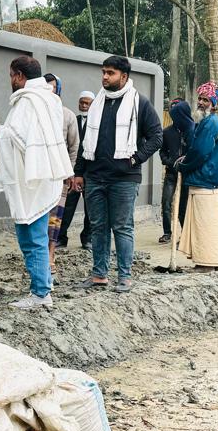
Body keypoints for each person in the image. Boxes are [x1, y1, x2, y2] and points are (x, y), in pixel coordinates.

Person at [72, 56, 163, 293]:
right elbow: (85, 141)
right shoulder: (96, 103)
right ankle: (99, 276)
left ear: (124, 76)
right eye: (103, 72)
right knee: (98, 227)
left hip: (124, 178)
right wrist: (79, 172)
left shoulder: (139, 103)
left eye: (110, 73)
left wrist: (135, 158)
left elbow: (157, 137)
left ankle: (125, 277)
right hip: (94, 176)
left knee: (122, 227)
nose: (105, 76)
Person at [0, 56, 72, 309]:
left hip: (31, 178)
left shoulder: (28, 101)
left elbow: (19, 138)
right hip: (43, 176)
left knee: (32, 237)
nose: (10, 80)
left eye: (11, 75)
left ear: (19, 75)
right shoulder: (50, 99)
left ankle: (40, 293)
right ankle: (44, 285)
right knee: (34, 235)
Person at [176, 82, 218, 272]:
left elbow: (201, 152)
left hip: (207, 180)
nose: (201, 102)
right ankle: (213, 261)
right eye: (200, 98)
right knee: (211, 224)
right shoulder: (209, 122)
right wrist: (187, 158)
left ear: (213, 104)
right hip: (210, 180)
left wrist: (184, 166)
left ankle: (206, 263)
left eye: (205, 100)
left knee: (204, 224)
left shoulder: (210, 123)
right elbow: (199, 149)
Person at [44, 74, 81, 268]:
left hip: (59, 175)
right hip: (39, 174)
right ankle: (39, 252)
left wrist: (70, 172)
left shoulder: (67, 115)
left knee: (55, 216)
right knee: (39, 216)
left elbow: (74, 146)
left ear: (58, 89)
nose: (48, 91)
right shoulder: (36, 113)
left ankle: (51, 251)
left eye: (51, 87)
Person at [57, 91, 95, 249]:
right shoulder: (73, 119)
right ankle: (60, 237)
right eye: (82, 102)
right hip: (72, 171)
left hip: (90, 172)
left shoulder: (97, 123)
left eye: (87, 103)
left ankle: (87, 238)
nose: (84, 106)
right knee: (66, 206)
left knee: (90, 208)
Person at [159, 98, 192, 244]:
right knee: (166, 202)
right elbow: (162, 152)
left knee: (183, 205)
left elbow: (194, 151)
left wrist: (185, 162)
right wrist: (169, 162)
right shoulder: (166, 132)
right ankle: (167, 233)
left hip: (185, 175)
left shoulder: (190, 130)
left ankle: (184, 234)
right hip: (171, 174)